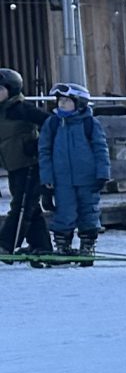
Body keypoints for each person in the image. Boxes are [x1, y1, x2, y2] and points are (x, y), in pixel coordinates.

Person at [37, 83, 112, 256]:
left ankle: (87, 245)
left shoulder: (90, 124)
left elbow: (101, 149)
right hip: (62, 180)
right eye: (60, 100)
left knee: (89, 212)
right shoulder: (53, 124)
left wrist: (103, 174)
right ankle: (62, 245)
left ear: (79, 103)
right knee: (64, 213)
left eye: (67, 101)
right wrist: (46, 179)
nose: (62, 104)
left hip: (88, 179)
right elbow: (44, 151)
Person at [2, 67, 56, 254]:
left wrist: (38, 144)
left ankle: (6, 244)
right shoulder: (2, 111)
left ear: (12, 90)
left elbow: (51, 122)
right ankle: (41, 245)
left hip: (30, 165)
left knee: (22, 206)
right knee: (31, 207)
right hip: (14, 165)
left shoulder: (20, 108)